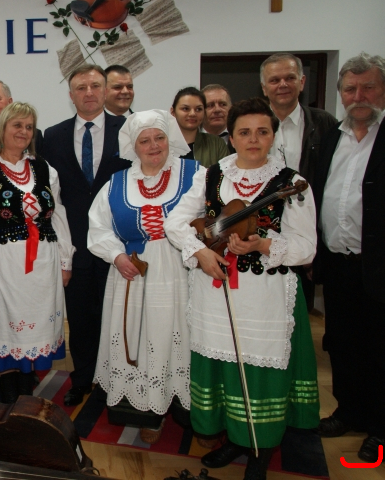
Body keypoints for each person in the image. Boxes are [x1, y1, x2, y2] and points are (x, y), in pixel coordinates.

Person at [164, 98, 319, 480]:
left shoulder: (291, 183)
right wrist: (200, 252)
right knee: (224, 366)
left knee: (258, 371)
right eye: (244, 132)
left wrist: (263, 244)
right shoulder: (212, 174)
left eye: (262, 131)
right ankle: (235, 438)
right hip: (216, 291)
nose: (253, 139)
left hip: (265, 295)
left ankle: (259, 451)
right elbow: (176, 222)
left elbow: (306, 247)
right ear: (231, 138)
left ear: (273, 136)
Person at [88, 110, 197, 443]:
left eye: (159, 137)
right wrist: (117, 256)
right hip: (132, 273)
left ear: (170, 139)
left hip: (181, 270)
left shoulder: (196, 174)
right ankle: (147, 411)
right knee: (138, 337)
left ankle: (190, 410)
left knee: (179, 334)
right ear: (133, 146)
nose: (153, 146)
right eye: (144, 140)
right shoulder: (118, 182)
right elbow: (98, 227)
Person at [0, 102, 74, 403]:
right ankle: (9, 398)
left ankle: (25, 396)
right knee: (5, 327)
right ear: (2, 128)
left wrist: (65, 260)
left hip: (44, 265)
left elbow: (58, 214)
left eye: (29, 127)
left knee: (36, 331)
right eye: (17, 125)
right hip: (3, 266)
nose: (24, 132)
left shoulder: (44, 168)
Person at [312, 52, 385, 462]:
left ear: (383, 90)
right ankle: (348, 411)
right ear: (341, 93)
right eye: (351, 89)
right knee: (342, 344)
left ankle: (380, 426)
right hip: (339, 264)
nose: (359, 97)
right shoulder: (333, 138)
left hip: (378, 266)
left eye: (368, 87)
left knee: (379, 348)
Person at [44, 64, 131, 407]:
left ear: (106, 90)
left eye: (95, 86)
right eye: (81, 88)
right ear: (71, 95)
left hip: (118, 244)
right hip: (76, 244)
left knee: (115, 318)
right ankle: (82, 379)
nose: (89, 93)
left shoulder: (127, 130)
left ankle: (115, 382)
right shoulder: (53, 136)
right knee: (79, 319)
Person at [260, 54, 337, 312]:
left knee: (299, 310)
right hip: (261, 234)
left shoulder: (325, 124)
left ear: (302, 82)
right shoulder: (252, 123)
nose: (282, 84)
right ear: (264, 87)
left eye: (289, 78)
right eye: (274, 80)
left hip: (304, 233)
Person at [171, 86, 229, 167]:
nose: (192, 114)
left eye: (198, 109)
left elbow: (225, 172)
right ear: (173, 112)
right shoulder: (162, 143)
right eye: (185, 108)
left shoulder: (216, 144)